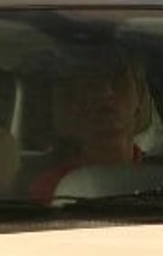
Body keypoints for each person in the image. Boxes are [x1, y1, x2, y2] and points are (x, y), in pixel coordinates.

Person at [26, 46, 148, 202]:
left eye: (118, 82)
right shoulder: (48, 190)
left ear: (140, 96)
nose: (106, 94)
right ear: (69, 108)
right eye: (91, 86)